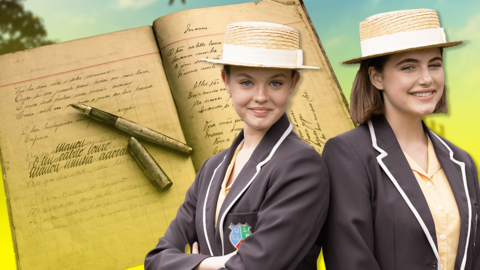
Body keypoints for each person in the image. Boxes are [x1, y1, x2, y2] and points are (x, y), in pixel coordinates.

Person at [144, 21, 329, 270]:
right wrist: (213, 263)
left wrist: (192, 264)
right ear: (226, 81)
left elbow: (256, 266)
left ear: (293, 84)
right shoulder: (211, 168)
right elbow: (155, 259)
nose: (261, 96)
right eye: (246, 82)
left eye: (275, 83)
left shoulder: (302, 166)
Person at [322, 9, 480, 270]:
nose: (427, 78)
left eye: (435, 64)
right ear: (376, 77)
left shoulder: (461, 162)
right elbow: (350, 261)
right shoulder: (347, 154)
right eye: (409, 67)